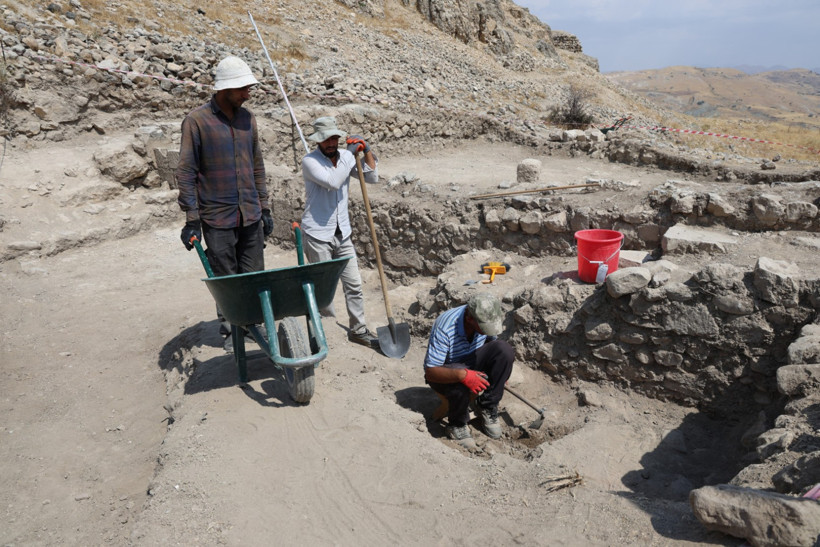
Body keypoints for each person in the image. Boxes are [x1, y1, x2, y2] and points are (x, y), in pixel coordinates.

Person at [175, 55, 274, 352]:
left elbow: (257, 165)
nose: (247, 94)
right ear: (225, 89)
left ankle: (252, 325)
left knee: (254, 275)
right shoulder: (196, 122)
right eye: (243, 89)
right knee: (226, 278)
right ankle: (233, 329)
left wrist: (264, 207)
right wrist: (192, 219)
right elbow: (186, 171)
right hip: (216, 218)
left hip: (250, 214)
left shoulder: (248, 119)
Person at [300, 116, 379, 349]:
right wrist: (350, 154)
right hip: (317, 235)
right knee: (324, 291)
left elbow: (372, 176)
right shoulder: (310, 161)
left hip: (342, 233)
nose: (331, 143)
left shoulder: (345, 156)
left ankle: (358, 329)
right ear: (318, 141)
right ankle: (323, 334)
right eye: (326, 139)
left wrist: (367, 150)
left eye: (334, 138)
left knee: (354, 284)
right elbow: (333, 182)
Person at [423, 293, 514, 449]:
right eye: (484, 327)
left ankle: (487, 405)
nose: (487, 331)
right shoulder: (445, 327)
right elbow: (431, 372)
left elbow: (491, 345)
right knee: (459, 376)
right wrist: (463, 375)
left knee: (504, 351)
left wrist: (500, 371)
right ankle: (456, 424)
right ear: (469, 318)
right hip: (445, 371)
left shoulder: (485, 317)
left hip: (471, 360)